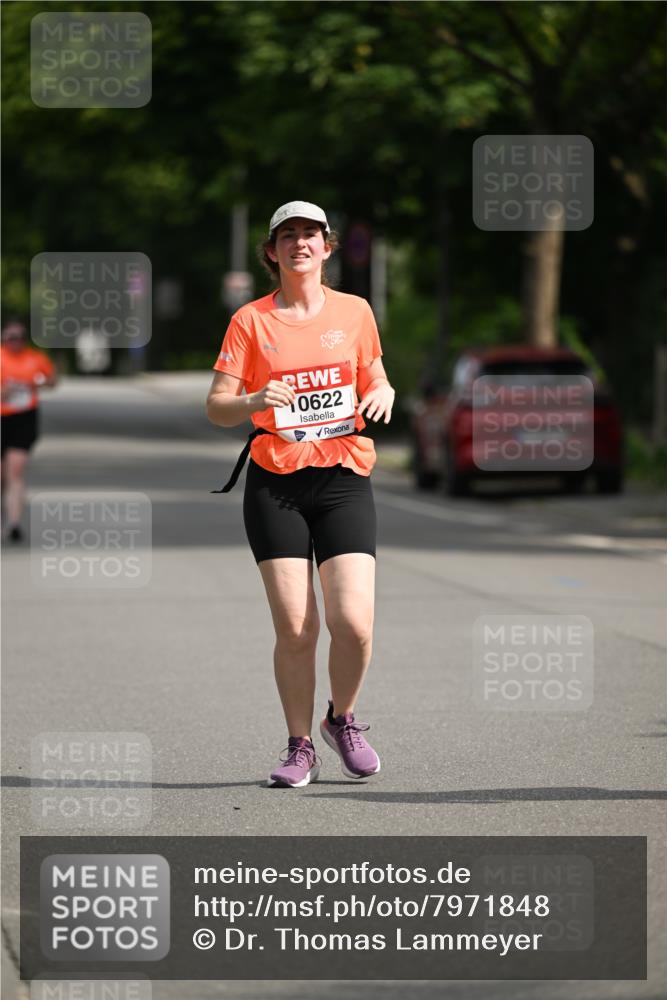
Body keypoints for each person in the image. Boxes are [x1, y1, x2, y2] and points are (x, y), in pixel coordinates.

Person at [206, 201, 395, 788]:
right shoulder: (251, 322)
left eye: (310, 234)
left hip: (341, 476)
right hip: (275, 484)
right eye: (287, 235)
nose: (299, 243)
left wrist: (384, 391)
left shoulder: (355, 311)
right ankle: (299, 746)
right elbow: (217, 406)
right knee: (295, 628)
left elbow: (375, 376)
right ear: (272, 251)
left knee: (354, 624)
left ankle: (343, 719)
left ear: (327, 247)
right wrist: (255, 401)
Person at [1, 319, 58, 542]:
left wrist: (37, 384)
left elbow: (52, 380)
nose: (15, 342)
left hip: (24, 417)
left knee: (15, 470)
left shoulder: (34, 358)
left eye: (19, 337)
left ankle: (14, 523)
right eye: (10, 337)